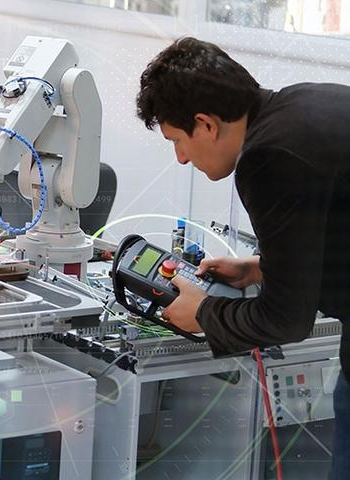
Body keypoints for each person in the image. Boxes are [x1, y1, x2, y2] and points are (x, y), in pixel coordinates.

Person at [136, 37, 350, 479]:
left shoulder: (268, 158)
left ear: (205, 124)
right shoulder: (304, 104)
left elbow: (286, 321)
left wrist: (203, 313)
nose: (181, 159)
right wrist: (264, 267)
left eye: (177, 141)